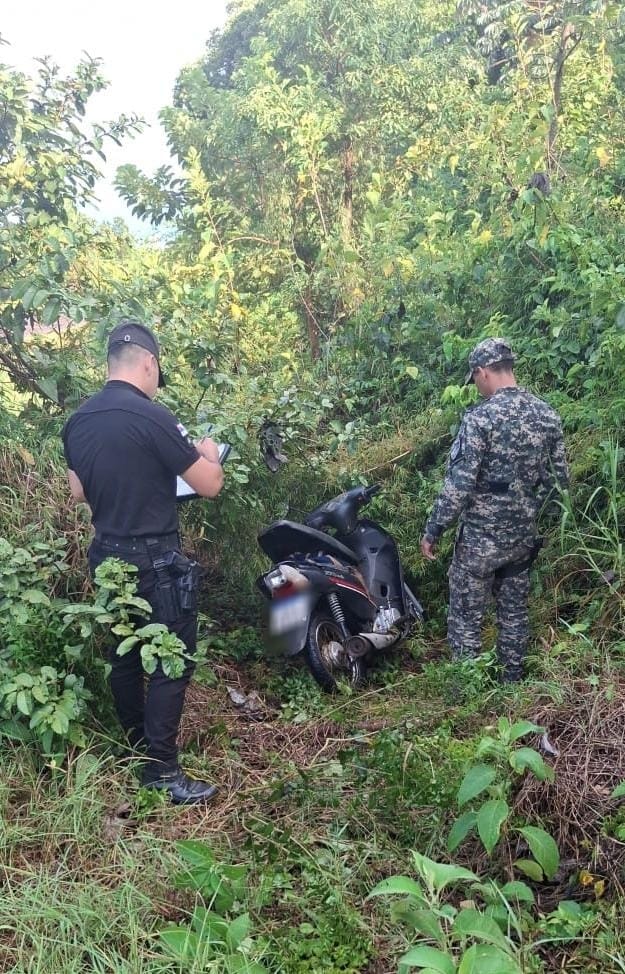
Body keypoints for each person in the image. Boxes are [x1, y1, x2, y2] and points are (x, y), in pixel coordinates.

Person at [62, 320, 224, 803]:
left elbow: (77, 492)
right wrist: (209, 454)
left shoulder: (78, 422)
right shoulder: (153, 417)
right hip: (156, 559)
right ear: (148, 364)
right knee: (173, 658)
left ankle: (135, 748)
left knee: (127, 655)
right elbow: (209, 485)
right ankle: (162, 771)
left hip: (107, 555)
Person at [420, 338, 568, 682]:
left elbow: (458, 486)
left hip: (479, 545)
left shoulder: (479, 419)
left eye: (475, 380)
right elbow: (558, 487)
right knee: (514, 613)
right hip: (522, 540)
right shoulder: (547, 416)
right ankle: (511, 684)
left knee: (466, 618)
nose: (476, 387)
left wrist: (433, 530)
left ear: (482, 372)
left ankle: (467, 691)